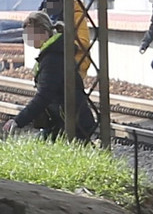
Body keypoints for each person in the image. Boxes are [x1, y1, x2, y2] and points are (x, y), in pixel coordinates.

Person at [2, 12, 96, 141]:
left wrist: (18, 120)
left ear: (44, 32)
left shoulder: (53, 58)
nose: (28, 39)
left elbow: (44, 96)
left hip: (72, 123)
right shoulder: (54, 52)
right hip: (66, 121)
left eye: (30, 34)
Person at [39, 0, 91, 77]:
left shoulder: (77, 16)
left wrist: (62, 45)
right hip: (55, 63)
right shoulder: (51, 17)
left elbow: (84, 42)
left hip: (76, 63)